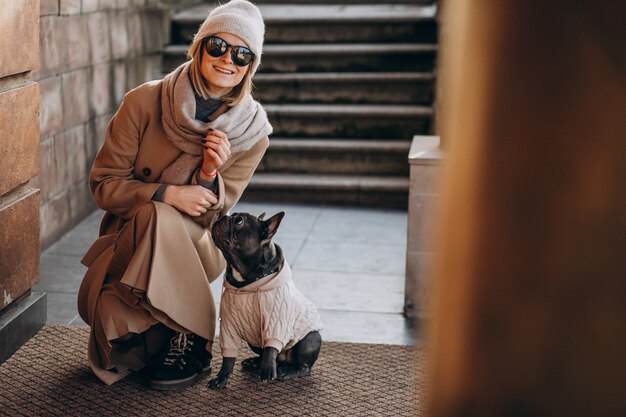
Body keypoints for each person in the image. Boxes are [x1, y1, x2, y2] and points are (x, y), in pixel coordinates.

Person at [77, 0, 272, 390]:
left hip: (199, 249)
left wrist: (207, 173)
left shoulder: (253, 133)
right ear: (199, 46)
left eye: (242, 53)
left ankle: (193, 336)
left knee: (158, 215)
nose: (227, 60)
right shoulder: (143, 103)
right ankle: (168, 332)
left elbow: (217, 217)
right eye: (218, 45)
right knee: (154, 215)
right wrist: (166, 193)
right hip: (130, 240)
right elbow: (104, 184)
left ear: (250, 65)